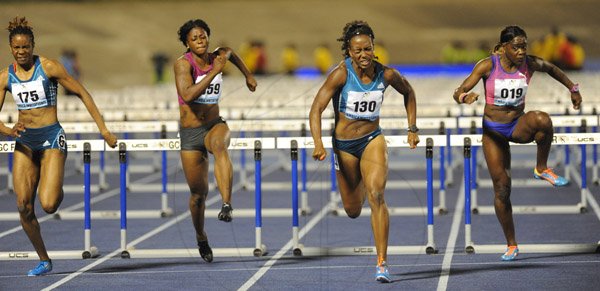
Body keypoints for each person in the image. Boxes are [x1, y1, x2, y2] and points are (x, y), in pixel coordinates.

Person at [452, 25, 582, 261]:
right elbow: (459, 90)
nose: (522, 51)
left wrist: (572, 88)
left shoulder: (529, 64)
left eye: (524, 46)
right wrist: (464, 97)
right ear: (503, 48)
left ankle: (541, 168)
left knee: (542, 119)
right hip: (493, 132)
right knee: (502, 189)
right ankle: (511, 244)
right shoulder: (487, 65)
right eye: (516, 47)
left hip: (517, 125)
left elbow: (552, 68)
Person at [0, 16, 118, 276]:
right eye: (17, 48)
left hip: (51, 136)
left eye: (26, 47)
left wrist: (104, 130)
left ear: (33, 45)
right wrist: (9, 130)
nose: (21, 52)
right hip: (25, 141)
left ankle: (53, 183)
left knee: (49, 204)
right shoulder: (5, 77)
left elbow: (83, 93)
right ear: (11, 48)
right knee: (22, 205)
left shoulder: (49, 67)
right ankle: (44, 259)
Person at [309, 20, 419, 283]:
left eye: (367, 49)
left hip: (372, 139)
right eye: (357, 51)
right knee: (352, 209)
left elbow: (409, 92)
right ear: (348, 51)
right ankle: (359, 182)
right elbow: (316, 109)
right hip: (344, 146)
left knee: (377, 195)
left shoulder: (387, 74)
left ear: (373, 47)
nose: (363, 55)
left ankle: (382, 262)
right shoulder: (341, 74)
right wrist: (318, 143)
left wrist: (412, 127)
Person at [174, 19, 257, 263]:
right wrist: (214, 72)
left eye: (203, 36)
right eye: (194, 38)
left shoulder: (218, 55)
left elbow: (230, 54)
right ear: (187, 43)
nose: (200, 41)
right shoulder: (182, 65)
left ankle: (227, 204)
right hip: (190, 133)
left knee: (220, 146)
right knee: (198, 195)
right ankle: (201, 236)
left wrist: (248, 75)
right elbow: (187, 94)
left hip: (214, 125)